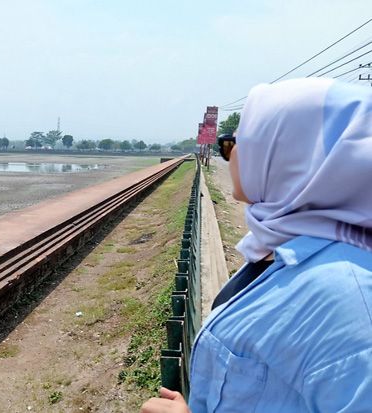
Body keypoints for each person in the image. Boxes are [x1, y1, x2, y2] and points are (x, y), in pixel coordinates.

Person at [141, 77, 372, 412]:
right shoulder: (284, 248)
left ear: (287, 156)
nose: (228, 154)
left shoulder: (351, 305)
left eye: (236, 143)